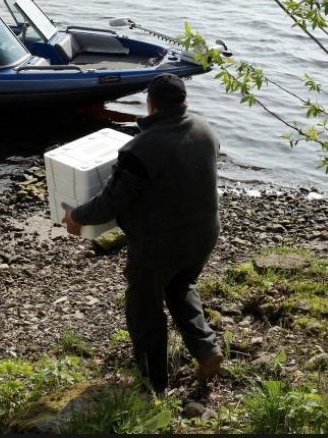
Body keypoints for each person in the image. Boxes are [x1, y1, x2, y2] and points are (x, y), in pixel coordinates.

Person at [62, 74, 223, 393]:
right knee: (179, 286)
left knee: (144, 312)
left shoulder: (140, 148)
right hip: (204, 235)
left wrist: (76, 216)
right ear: (184, 102)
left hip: (158, 246)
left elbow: (111, 202)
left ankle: (153, 386)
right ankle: (206, 349)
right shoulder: (206, 130)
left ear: (150, 104)